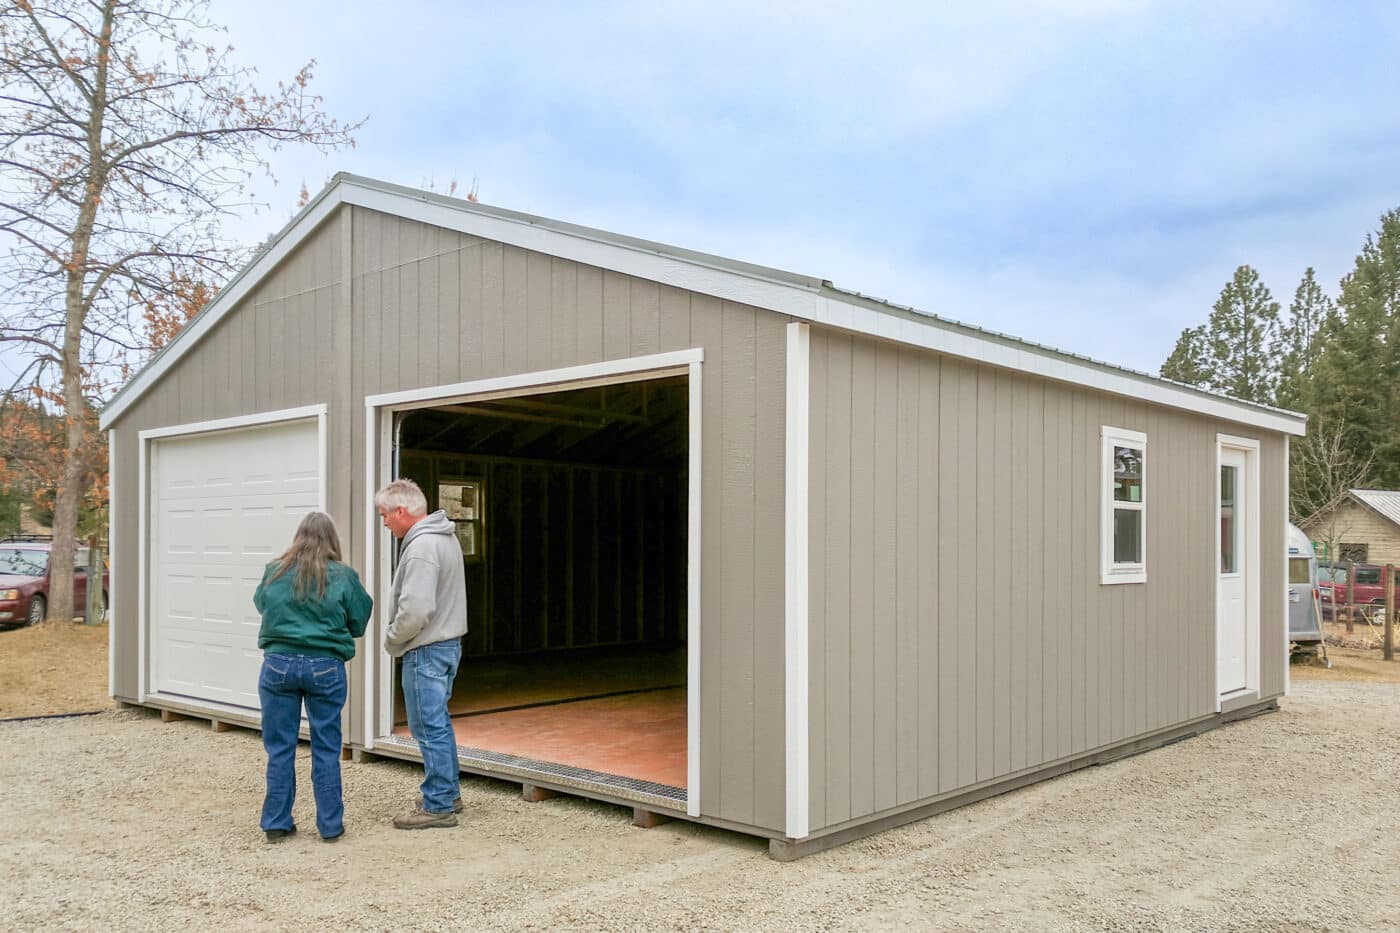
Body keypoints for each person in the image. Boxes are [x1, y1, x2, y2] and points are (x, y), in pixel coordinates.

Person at [254, 511, 372, 843]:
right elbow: (359, 621)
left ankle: (276, 823)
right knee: (326, 747)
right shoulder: (344, 576)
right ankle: (330, 826)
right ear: (332, 539)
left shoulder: (273, 572)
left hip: (278, 665)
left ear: (298, 536)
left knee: (280, 748)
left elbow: (262, 605)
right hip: (325, 666)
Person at [375, 478, 469, 829]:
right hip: (447, 645)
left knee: (428, 727)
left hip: (426, 648)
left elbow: (416, 608)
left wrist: (393, 638)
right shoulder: (444, 538)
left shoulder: (421, 547)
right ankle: (447, 792)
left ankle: (439, 805)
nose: (384, 522)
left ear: (401, 511)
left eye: (385, 514)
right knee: (438, 723)